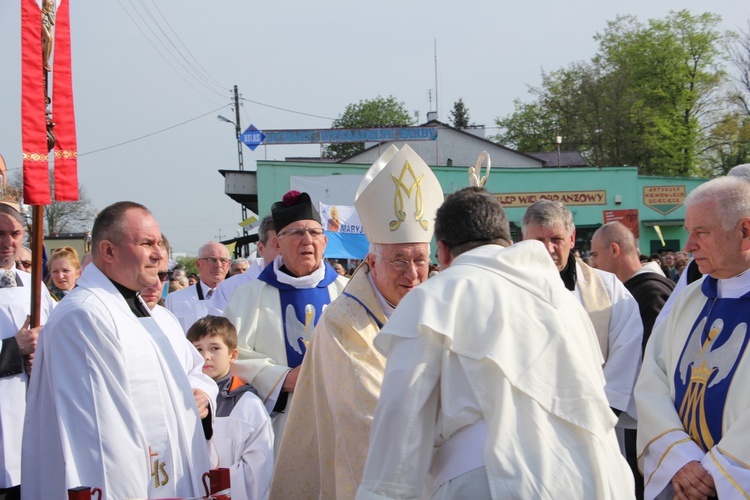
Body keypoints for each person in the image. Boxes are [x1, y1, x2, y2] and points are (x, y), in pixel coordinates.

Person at [357, 187, 633, 499]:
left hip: (494, 478)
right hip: (597, 476)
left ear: (443, 252)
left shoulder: (435, 297)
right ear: (510, 243)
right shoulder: (562, 301)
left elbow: (402, 419)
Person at [271, 144, 444, 498]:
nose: (412, 274)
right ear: (373, 261)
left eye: (420, 260)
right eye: (399, 260)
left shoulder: (440, 307)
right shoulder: (343, 323)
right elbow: (369, 417)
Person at [22, 201, 213, 499]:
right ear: (109, 251)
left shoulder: (137, 309)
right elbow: (100, 437)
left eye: (159, 243)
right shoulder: (85, 316)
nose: (159, 254)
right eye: (146, 243)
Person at [635, 176, 750, 499]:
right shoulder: (690, 299)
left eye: (701, 232)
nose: (688, 246)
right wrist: (680, 459)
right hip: (683, 479)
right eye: (689, 231)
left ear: (745, 231)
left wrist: (718, 471)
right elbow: (652, 380)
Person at [223, 191, 348, 456]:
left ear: (325, 241)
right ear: (277, 244)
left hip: (339, 420)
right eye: (296, 233)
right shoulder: (250, 295)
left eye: (314, 233)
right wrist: (283, 379)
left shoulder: (348, 293)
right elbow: (232, 356)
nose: (307, 241)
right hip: (279, 425)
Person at [522, 199, 643, 455]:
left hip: (596, 427)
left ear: (572, 238)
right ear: (523, 241)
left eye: (556, 238)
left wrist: (599, 418)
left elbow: (627, 351)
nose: (548, 249)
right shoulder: (508, 290)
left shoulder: (608, 290)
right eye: (538, 241)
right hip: (530, 428)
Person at [590, 221, 675, 499]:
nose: (592, 263)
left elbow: (656, 365)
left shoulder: (649, 293)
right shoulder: (631, 292)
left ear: (614, 249)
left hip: (651, 419)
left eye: (594, 255)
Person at [0, 203, 55, 500]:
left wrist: (44, 348)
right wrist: (13, 349)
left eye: (15, 233)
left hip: (29, 412)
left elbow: (58, 332)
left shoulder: (33, 285)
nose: (7, 242)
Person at [187, 316, 274, 500]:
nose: (205, 356)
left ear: (233, 355)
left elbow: (258, 469)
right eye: (198, 349)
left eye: (215, 348)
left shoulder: (247, 404)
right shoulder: (183, 400)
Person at [209, 215, 278, 315]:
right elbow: (218, 329)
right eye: (278, 245)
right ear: (261, 248)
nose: (285, 251)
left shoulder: (305, 283)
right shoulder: (230, 288)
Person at [166, 241, 231, 332]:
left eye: (223, 260)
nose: (218, 265)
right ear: (198, 264)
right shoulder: (175, 299)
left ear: (228, 265)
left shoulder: (239, 297)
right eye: (212, 260)